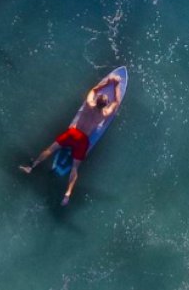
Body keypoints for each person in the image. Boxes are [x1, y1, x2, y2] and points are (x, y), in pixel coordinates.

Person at [19, 74, 122, 206]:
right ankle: (67, 195)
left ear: (96, 101)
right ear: (105, 105)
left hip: (72, 133)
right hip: (83, 140)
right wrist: (117, 84)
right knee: (75, 167)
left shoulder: (88, 104)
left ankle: (31, 167)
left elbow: (95, 90)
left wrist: (108, 82)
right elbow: (116, 103)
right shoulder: (104, 114)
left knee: (50, 149)